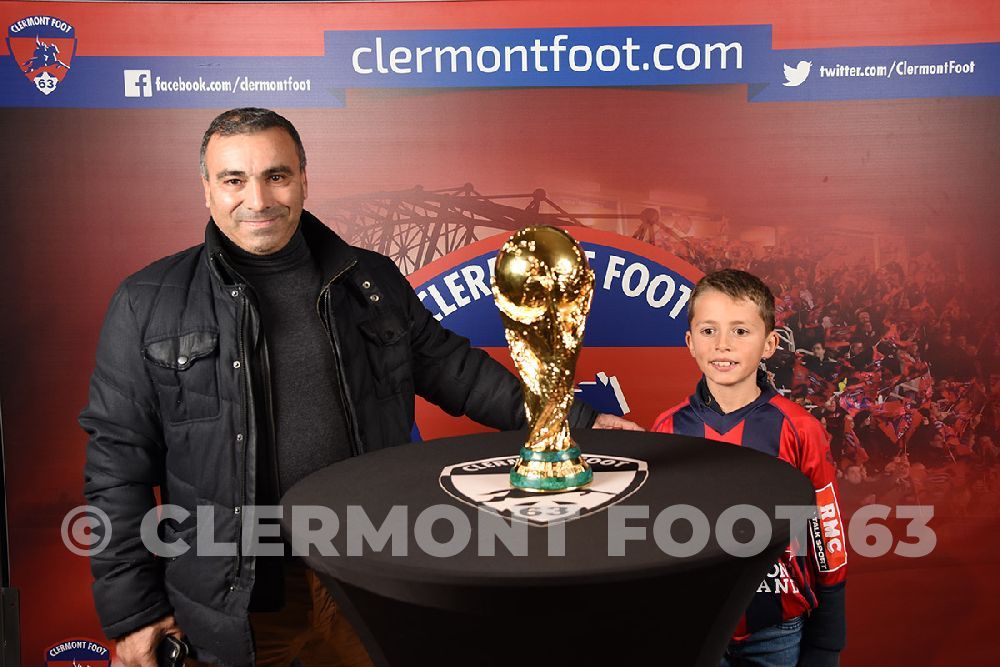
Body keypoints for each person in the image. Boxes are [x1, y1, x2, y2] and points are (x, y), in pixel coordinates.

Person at [80, 107, 639, 667]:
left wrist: (577, 423)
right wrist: (136, 613)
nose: (258, 198)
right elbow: (116, 466)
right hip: (236, 595)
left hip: (366, 575)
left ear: (303, 180)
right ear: (207, 189)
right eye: (234, 179)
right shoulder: (147, 302)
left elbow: (456, 371)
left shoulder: (370, 280)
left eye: (276, 175)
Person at [651, 269, 846, 666]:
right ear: (690, 342)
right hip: (693, 626)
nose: (722, 344)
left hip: (776, 630)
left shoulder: (799, 428)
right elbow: (654, 533)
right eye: (708, 331)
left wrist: (828, 640)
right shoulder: (667, 428)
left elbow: (826, 531)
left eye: (740, 331)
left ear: (769, 344)